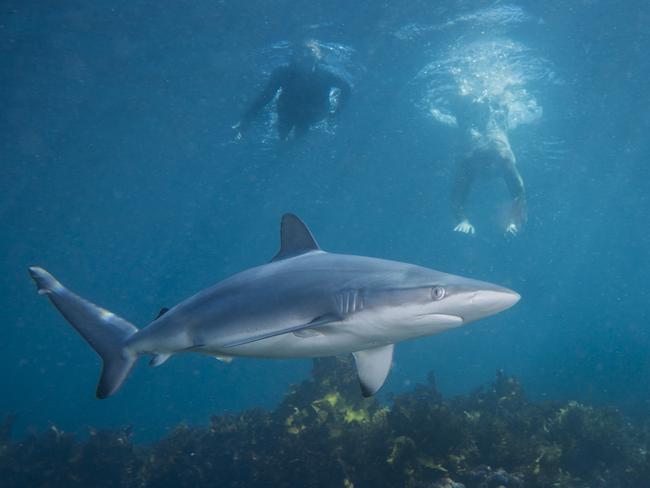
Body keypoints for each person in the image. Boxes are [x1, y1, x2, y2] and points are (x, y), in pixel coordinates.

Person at [233, 41, 351, 143]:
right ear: (294, 60)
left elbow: (346, 89)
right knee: (282, 137)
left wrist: (337, 111)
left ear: (317, 59)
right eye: (301, 58)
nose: (305, 63)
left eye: (309, 58)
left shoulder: (326, 74)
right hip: (288, 110)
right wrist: (246, 118)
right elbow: (266, 96)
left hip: (313, 111)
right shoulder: (283, 72)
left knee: (300, 134)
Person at [449, 94, 527, 237]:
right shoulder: (469, 163)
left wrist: (513, 222)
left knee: (467, 116)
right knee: (464, 116)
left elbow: (519, 193)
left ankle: (494, 97)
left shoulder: (504, 160)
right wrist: (463, 220)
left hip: (491, 146)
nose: (486, 168)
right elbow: (456, 196)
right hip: (474, 145)